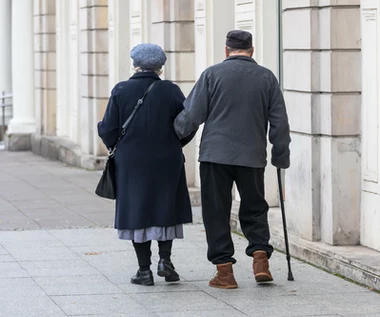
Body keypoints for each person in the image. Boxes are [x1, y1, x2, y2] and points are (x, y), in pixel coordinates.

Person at [174, 30, 291, 289]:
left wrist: (175, 133)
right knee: (254, 206)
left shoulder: (211, 75)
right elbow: (280, 123)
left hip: (215, 156)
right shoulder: (267, 78)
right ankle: (261, 258)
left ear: (226, 50)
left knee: (216, 211)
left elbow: (192, 115)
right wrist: (280, 155)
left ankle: (224, 271)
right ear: (252, 50)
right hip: (252, 156)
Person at [98, 43, 195, 286]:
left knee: (137, 209)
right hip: (167, 159)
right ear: (160, 66)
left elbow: (108, 128)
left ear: (135, 64)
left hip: (131, 161)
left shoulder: (121, 90)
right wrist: (175, 143)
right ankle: (166, 261)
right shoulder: (171, 91)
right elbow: (187, 124)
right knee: (166, 206)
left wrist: (115, 146)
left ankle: (144, 270)